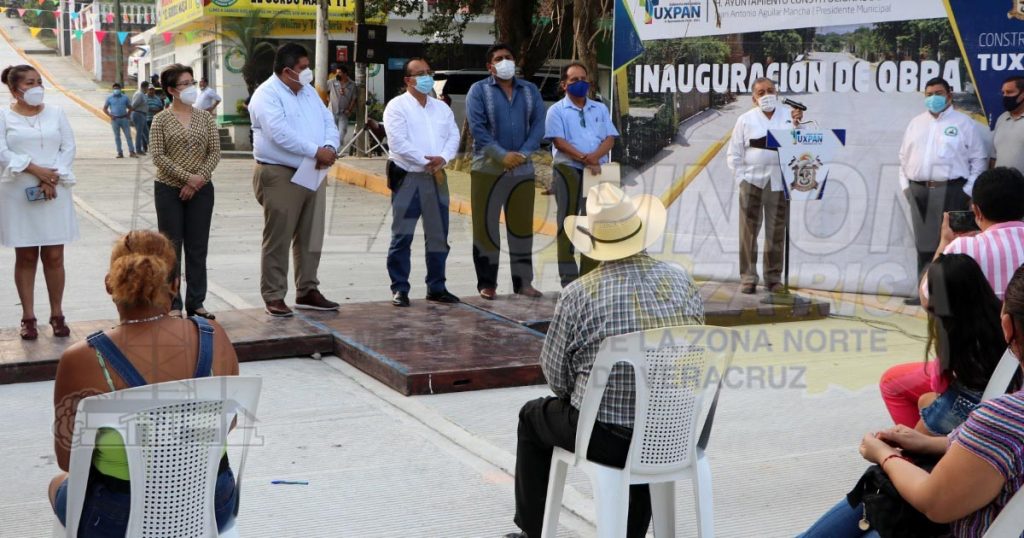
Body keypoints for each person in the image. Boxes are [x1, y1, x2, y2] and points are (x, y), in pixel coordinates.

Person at [505, 183, 704, 538]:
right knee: (645, 415)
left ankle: (532, 533)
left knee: (533, 416)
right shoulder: (682, 282)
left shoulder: (579, 294)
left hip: (607, 439)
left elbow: (557, 378)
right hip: (675, 432)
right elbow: (695, 358)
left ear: (594, 245)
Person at [799, 263, 1024, 537]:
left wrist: (884, 455)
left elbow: (934, 502)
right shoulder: (1001, 411)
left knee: (879, 498)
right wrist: (930, 443)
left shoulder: (1004, 417)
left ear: (1008, 326)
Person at [48, 230, 241, 537]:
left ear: (110, 283)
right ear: (175, 286)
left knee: (57, 484)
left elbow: (69, 459)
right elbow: (229, 422)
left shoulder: (82, 359)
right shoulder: (214, 335)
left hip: (119, 517)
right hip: (211, 503)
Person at [881, 167, 1024, 427]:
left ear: (976, 212)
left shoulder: (963, 248)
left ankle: (920, 457)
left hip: (976, 376)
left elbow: (928, 298)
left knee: (893, 383)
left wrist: (943, 244)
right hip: (1007, 374)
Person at [248, 43, 340, 317]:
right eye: (303, 68)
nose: (308, 72)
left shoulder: (309, 92)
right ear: (287, 71)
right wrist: (316, 151)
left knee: (312, 234)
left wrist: (330, 148)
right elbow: (279, 133)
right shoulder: (266, 95)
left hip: (313, 170)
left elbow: (328, 121)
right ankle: (274, 294)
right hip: (280, 172)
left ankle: (307, 289)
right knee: (279, 236)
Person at [880, 254, 1006, 434]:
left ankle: (917, 456)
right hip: (1002, 401)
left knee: (909, 442)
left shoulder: (953, 330)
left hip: (971, 407)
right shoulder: (1000, 312)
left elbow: (939, 386)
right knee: (924, 400)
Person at [0, 64, 77, 340]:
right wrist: (36, 170)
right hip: (19, 191)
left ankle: (57, 314)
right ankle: (28, 317)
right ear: (14, 89)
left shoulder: (56, 112)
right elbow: (2, 152)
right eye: (30, 83)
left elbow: (68, 146)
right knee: (27, 255)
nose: (37, 88)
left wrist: (50, 177)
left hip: (55, 188)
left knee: (54, 256)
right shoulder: (4, 116)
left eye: (39, 82)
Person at [466, 43, 546, 300]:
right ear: (490, 66)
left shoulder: (530, 90)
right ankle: (487, 283)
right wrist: (502, 156)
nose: (505, 62)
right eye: (499, 58)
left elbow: (538, 126)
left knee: (521, 229)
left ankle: (523, 283)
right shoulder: (478, 91)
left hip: (523, 170)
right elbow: (477, 128)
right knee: (486, 228)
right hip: (486, 170)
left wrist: (521, 154)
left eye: (508, 57)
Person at [899, 76, 988, 305]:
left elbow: (979, 160)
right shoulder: (916, 123)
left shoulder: (963, 123)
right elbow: (903, 159)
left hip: (952, 190)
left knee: (952, 244)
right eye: (929, 95)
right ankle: (925, 291)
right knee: (924, 244)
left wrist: (966, 192)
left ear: (949, 94)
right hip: (919, 190)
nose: (933, 98)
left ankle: (950, 295)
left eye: (938, 93)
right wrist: (907, 188)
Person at [383, 57, 460, 307]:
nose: (427, 77)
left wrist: (444, 158)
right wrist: (425, 159)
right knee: (402, 236)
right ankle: (400, 288)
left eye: (429, 72)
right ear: (408, 80)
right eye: (420, 73)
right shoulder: (396, 107)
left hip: (437, 176)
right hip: (408, 176)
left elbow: (453, 135)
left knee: (438, 235)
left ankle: (436, 286)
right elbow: (398, 142)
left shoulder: (442, 108)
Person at [150, 63, 221, 320]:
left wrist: (198, 180)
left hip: (202, 189)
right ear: (171, 90)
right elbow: (158, 155)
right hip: (169, 190)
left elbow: (215, 151)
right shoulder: (160, 120)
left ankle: (196, 302)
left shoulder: (205, 117)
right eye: (185, 84)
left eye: (192, 82)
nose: (191, 88)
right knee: (170, 248)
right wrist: (186, 179)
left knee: (197, 247)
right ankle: (172, 303)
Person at [725, 77, 803, 295]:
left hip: (780, 181)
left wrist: (797, 124)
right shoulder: (745, 120)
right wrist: (741, 178)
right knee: (748, 232)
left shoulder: (789, 117)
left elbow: (799, 146)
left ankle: (773, 278)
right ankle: (748, 278)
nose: (766, 95)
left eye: (770, 91)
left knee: (776, 232)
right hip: (752, 181)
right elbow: (734, 153)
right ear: (753, 98)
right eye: (761, 92)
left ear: (776, 94)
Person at [544, 62, 619, 287]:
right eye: (574, 80)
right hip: (568, 169)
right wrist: (587, 159)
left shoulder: (600, 108)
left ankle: (590, 276)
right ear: (564, 84)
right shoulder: (556, 110)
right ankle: (569, 280)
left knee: (593, 223)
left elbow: (610, 138)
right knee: (567, 222)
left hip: (597, 171)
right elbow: (559, 141)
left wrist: (595, 158)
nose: (580, 83)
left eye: (583, 79)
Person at [992, 76, 1024, 172]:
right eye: (1003, 93)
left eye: (1009, 92)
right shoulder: (1002, 118)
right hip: (1000, 184)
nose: (1005, 96)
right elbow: (994, 156)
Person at [103, 82, 136, 158]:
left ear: (120, 89)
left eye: (117, 88)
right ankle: (120, 152)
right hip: (115, 120)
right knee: (117, 137)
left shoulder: (125, 97)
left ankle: (132, 151)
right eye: (115, 89)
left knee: (128, 136)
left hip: (124, 118)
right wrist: (110, 115)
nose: (116, 90)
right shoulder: (109, 98)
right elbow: (104, 109)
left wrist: (128, 114)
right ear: (113, 89)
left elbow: (130, 107)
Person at [327, 64, 356, 149]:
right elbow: (322, 89)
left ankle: (336, 148)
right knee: (332, 132)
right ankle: (333, 149)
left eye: (339, 73)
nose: (337, 75)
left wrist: (350, 110)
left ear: (345, 74)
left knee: (342, 131)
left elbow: (354, 99)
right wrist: (328, 99)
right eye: (337, 73)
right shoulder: (332, 82)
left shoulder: (352, 84)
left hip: (344, 113)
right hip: (332, 111)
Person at [130, 80, 150, 155]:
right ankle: (138, 149)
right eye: (147, 88)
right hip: (138, 114)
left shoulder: (143, 94)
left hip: (143, 115)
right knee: (139, 133)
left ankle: (152, 147)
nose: (148, 90)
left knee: (146, 132)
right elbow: (133, 105)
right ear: (144, 87)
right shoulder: (139, 94)